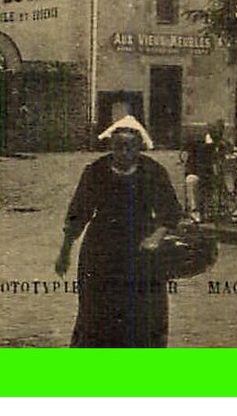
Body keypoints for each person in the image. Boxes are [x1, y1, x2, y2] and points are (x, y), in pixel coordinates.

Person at [54, 115, 182, 347]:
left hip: (141, 249)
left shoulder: (152, 171)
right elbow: (77, 214)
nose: (124, 153)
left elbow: (171, 213)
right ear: (111, 147)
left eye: (130, 147)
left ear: (139, 148)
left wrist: (156, 237)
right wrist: (64, 252)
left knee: (144, 310)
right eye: (118, 147)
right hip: (100, 249)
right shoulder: (96, 170)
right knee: (97, 310)